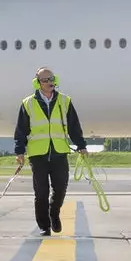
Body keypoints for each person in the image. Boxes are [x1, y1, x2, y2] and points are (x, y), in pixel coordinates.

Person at [13, 66, 87, 235]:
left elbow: (74, 127)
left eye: (51, 78)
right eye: (45, 80)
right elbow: (21, 130)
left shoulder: (64, 101)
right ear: (37, 83)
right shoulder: (28, 103)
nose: (49, 82)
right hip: (38, 154)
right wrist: (19, 152)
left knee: (61, 188)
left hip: (59, 152)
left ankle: (54, 213)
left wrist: (81, 145)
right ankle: (44, 226)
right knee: (41, 193)